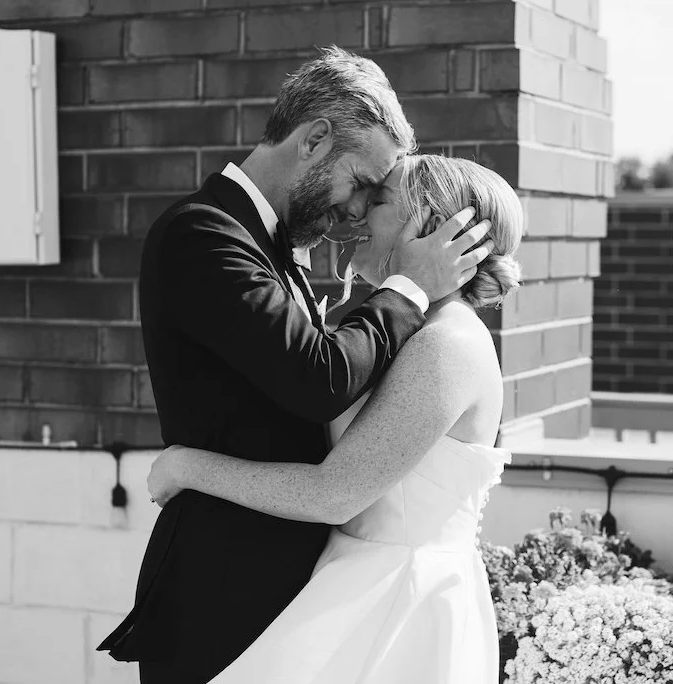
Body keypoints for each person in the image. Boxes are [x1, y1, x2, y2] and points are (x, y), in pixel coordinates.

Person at [97, 48, 492, 684]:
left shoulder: (280, 248)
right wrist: (410, 289)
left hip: (306, 589)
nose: (360, 210)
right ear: (313, 140)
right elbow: (319, 381)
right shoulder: (204, 234)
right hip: (225, 585)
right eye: (362, 182)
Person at [145, 154, 523, 684]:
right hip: (346, 582)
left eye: (381, 200)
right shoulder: (403, 329)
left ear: (431, 227)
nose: (359, 215)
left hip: (400, 606)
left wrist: (185, 467)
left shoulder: (448, 344)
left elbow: (335, 494)